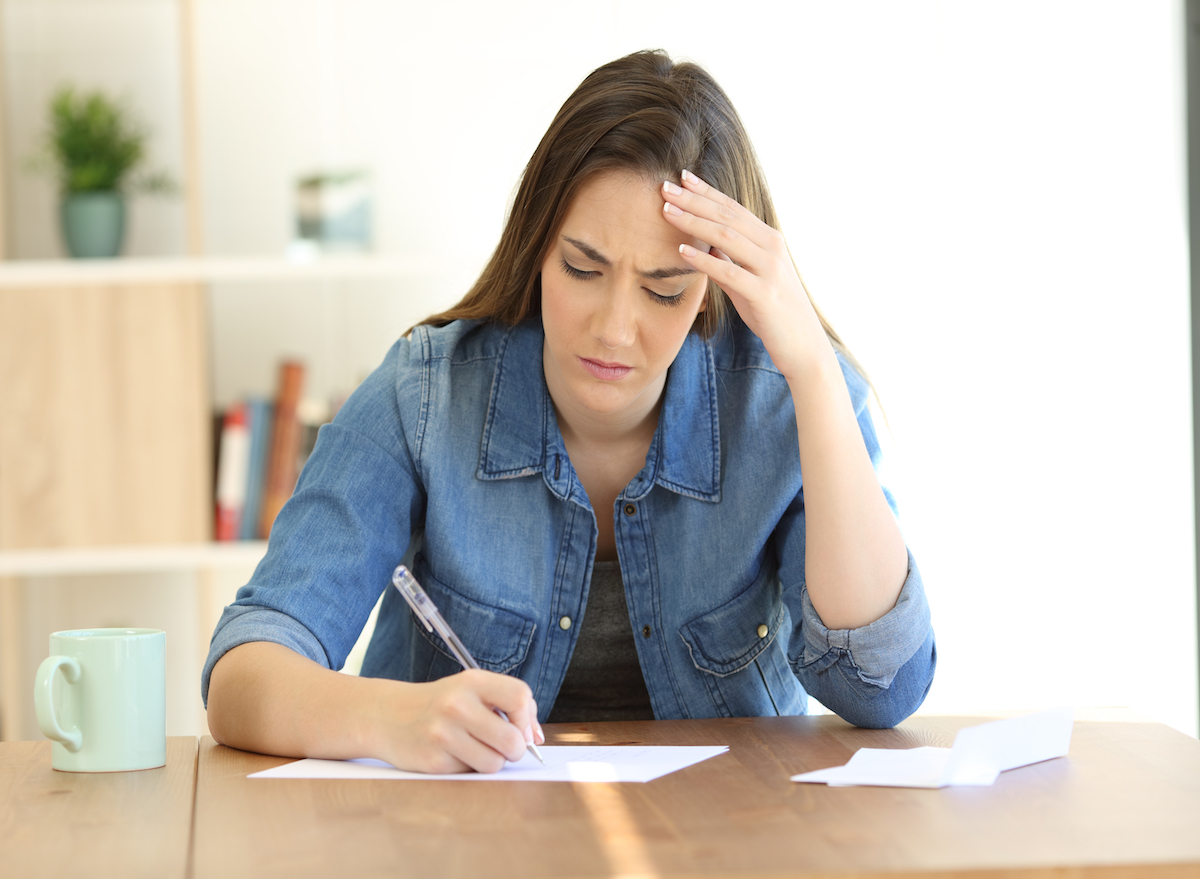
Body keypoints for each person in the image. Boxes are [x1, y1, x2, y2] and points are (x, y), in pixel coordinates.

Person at [203, 49, 936, 774]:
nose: (615, 329)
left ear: (712, 289)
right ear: (537, 249)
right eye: (584, 268)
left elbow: (883, 686)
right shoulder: (426, 394)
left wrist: (811, 369)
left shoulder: (780, 400)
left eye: (663, 289)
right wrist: (388, 716)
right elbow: (243, 673)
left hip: (723, 842)